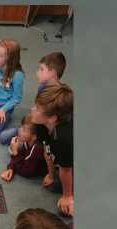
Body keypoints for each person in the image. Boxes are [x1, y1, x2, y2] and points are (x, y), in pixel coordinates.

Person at [0, 51, 67, 143]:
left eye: (41, 69)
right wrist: (27, 125)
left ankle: (28, 139)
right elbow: (36, 109)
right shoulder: (42, 87)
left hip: (45, 128)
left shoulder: (59, 96)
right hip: (37, 122)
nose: (37, 73)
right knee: (3, 137)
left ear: (53, 72)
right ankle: (24, 133)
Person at [31, 84, 74, 216]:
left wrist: (67, 196)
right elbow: (47, 149)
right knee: (52, 185)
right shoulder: (41, 124)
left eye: (37, 108)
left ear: (52, 118)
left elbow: (66, 169)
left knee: (66, 210)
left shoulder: (64, 138)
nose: (32, 109)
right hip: (62, 153)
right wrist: (50, 175)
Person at [0, 114, 46, 182]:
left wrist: (15, 153)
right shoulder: (27, 141)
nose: (19, 130)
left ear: (34, 137)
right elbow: (21, 156)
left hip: (50, 170)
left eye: (24, 130)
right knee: (17, 148)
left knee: (15, 149)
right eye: (21, 127)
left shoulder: (37, 148)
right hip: (29, 161)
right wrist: (11, 168)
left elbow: (26, 172)